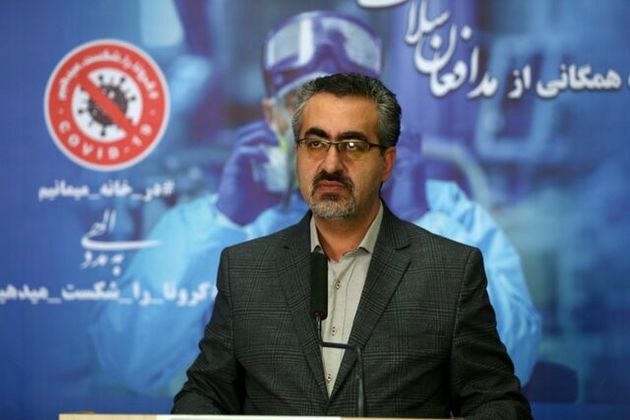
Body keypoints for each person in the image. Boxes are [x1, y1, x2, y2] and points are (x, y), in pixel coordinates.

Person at [91, 11, 540, 395]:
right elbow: (131, 363)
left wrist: (420, 220)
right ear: (271, 119)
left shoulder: (447, 214)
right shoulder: (210, 226)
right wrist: (222, 221)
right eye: (303, 109)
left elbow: (510, 364)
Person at [172, 73, 531, 418]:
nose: (330, 165)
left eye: (353, 146)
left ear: (387, 163)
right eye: (315, 144)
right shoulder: (245, 268)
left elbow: (496, 402)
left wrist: (417, 212)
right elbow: (204, 393)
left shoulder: (450, 270)